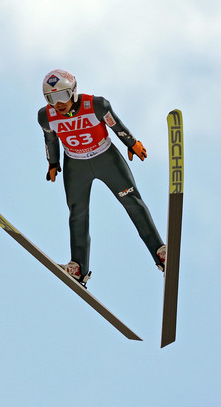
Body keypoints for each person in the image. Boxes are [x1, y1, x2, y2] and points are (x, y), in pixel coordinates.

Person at [37, 69, 166, 285]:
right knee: (77, 213)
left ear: (74, 92)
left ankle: (160, 252)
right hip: (76, 165)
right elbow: (50, 140)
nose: (58, 104)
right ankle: (78, 267)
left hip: (106, 159)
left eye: (62, 96)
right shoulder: (45, 116)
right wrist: (53, 163)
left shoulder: (96, 105)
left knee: (132, 202)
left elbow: (115, 124)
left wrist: (132, 143)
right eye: (51, 98)